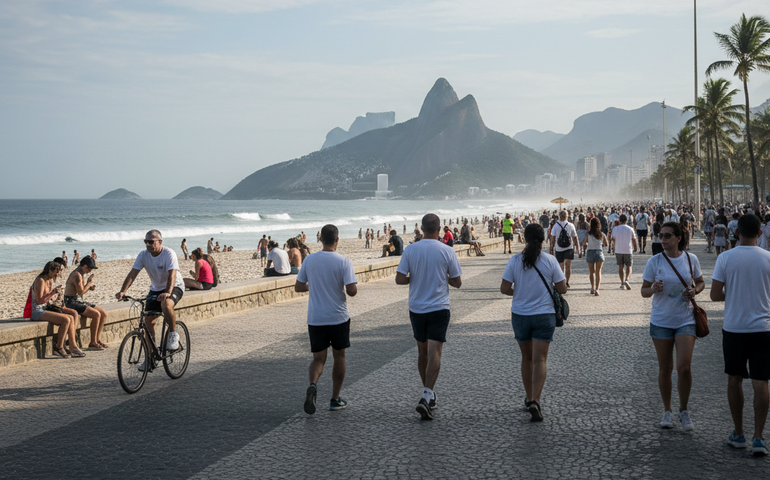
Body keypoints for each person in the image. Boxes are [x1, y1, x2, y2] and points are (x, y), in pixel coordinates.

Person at [710, 214, 770, 455]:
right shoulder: (768, 258)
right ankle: (759, 437)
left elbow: (715, 295)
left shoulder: (725, 258)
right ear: (760, 233)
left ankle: (739, 433)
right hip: (764, 328)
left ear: (737, 232)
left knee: (734, 379)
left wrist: (734, 293)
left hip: (735, 327)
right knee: (761, 382)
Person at [396, 213, 462, 421]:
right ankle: (427, 394)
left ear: (422, 228)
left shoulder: (411, 250)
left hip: (417, 308)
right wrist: (444, 278)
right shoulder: (447, 251)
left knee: (422, 352)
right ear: (439, 229)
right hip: (439, 307)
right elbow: (458, 282)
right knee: (435, 352)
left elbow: (399, 279)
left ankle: (427, 393)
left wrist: (414, 278)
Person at [641, 222, 704, 432]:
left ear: (678, 238)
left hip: (685, 319)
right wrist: (652, 288)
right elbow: (643, 291)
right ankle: (667, 410)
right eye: (660, 235)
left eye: (667, 236)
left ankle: (683, 410)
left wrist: (695, 291)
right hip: (661, 321)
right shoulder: (655, 261)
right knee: (665, 368)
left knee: (684, 368)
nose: (663, 239)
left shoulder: (690, 259)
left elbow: (701, 282)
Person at [500, 223, 566, 422]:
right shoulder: (550, 260)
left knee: (527, 358)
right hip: (544, 315)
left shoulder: (515, 260)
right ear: (543, 239)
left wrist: (519, 292)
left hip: (520, 315)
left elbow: (504, 288)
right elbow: (562, 288)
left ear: (525, 239)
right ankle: (536, 400)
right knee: (540, 360)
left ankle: (529, 398)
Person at [295, 224, 358, 414]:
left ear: (321, 238)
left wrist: (314, 285)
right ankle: (334, 399)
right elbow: (352, 291)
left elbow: (298, 286)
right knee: (339, 357)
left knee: (318, 359)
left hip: (316, 318)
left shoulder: (310, 260)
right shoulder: (344, 262)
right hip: (338, 317)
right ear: (337, 240)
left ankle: (313, 385)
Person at [116, 229, 184, 363]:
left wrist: (167, 292)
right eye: (146, 242)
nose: (148, 244)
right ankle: (150, 358)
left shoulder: (169, 253)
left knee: (166, 304)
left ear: (160, 242)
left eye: (151, 242)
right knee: (148, 323)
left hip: (174, 286)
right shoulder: (143, 255)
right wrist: (123, 291)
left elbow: (172, 275)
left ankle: (173, 334)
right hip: (156, 289)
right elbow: (132, 274)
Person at [29, 261, 84, 358]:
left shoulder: (49, 280)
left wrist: (56, 296)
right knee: (66, 319)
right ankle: (59, 347)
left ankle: (72, 345)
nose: (57, 274)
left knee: (71, 316)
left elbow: (47, 299)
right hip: (37, 311)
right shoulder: (40, 280)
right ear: (49, 270)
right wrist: (52, 293)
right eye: (56, 272)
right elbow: (40, 301)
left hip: (46, 307)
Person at [64, 256, 108, 350]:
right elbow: (80, 292)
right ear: (84, 266)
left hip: (79, 300)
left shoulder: (82, 273)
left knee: (103, 313)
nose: (89, 271)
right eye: (89, 269)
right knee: (96, 314)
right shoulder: (77, 274)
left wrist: (89, 287)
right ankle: (93, 342)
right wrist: (89, 283)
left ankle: (97, 339)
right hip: (71, 301)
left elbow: (81, 290)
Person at [549, 211, 579, 288]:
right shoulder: (570, 225)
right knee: (568, 266)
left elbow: (552, 239)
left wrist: (551, 249)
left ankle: (562, 282)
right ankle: (567, 282)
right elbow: (575, 238)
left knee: (561, 267)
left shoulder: (555, 226)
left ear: (559, 217)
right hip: (569, 248)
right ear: (567, 216)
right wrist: (578, 248)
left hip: (559, 249)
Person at [581, 217, 608, 295]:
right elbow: (606, 244)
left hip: (590, 252)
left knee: (591, 272)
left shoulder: (588, 234)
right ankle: (597, 289)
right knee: (598, 272)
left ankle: (592, 288)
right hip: (599, 252)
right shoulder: (601, 234)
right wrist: (600, 244)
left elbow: (584, 243)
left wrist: (588, 243)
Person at [611, 214, 637, 290]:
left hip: (618, 249)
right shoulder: (630, 229)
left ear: (619, 220)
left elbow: (612, 239)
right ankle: (627, 280)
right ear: (626, 220)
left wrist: (613, 247)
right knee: (629, 266)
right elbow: (633, 239)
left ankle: (622, 283)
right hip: (628, 250)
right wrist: (635, 247)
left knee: (621, 267)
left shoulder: (615, 229)